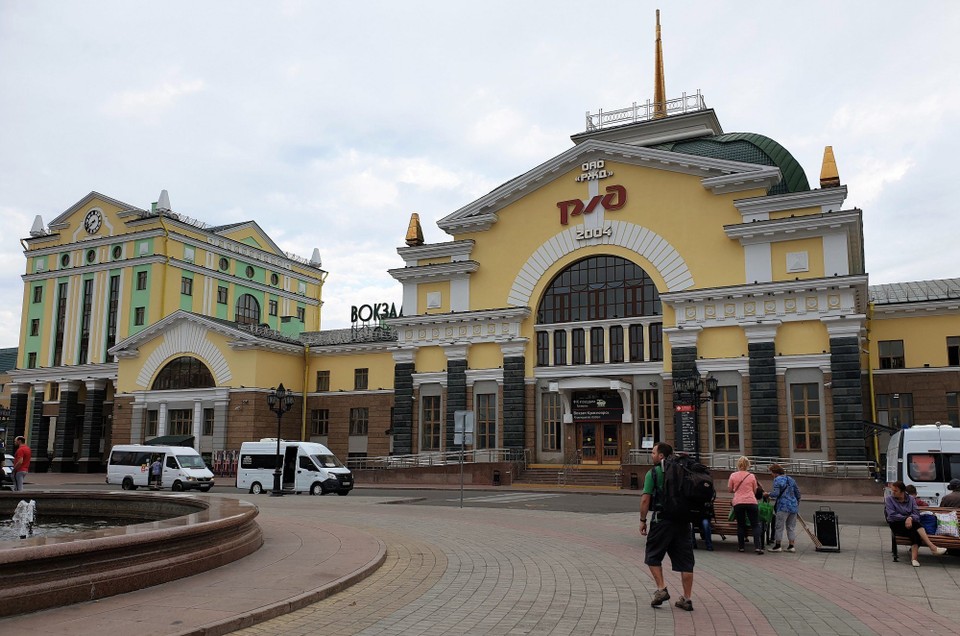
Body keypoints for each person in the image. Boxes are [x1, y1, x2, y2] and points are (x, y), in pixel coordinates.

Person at [639, 442, 695, 611]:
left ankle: (662, 588)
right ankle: (687, 598)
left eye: (654, 452)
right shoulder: (685, 471)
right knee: (686, 562)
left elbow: (645, 499)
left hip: (662, 521)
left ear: (661, 456)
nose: (652, 455)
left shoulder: (654, 473)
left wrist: (642, 519)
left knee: (653, 555)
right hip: (684, 521)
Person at [885, 480, 947, 567]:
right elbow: (892, 515)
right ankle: (932, 548)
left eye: (895, 491)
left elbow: (916, 514)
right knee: (916, 526)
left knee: (915, 532)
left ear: (902, 491)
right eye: (892, 490)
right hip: (896, 523)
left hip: (911, 523)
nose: (893, 493)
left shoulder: (910, 499)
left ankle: (914, 559)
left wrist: (910, 518)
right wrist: (907, 518)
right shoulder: (889, 499)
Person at [728, 455, 763, 554]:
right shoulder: (751, 476)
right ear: (748, 465)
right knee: (755, 525)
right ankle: (757, 547)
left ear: (738, 465)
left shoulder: (733, 475)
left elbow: (730, 490)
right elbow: (755, 490)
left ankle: (741, 547)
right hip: (751, 501)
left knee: (741, 525)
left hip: (738, 502)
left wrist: (737, 490)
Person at [769, 463, 801, 552]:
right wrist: (796, 502)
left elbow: (776, 494)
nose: (771, 475)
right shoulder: (790, 479)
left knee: (779, 526)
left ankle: (778, 545)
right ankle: (791, 546)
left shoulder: (777, 480)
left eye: (771, 472)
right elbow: (797, 492)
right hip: (793, 506)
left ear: (775, 472)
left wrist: (768, 494)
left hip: (782, 506)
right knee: (791, 527)